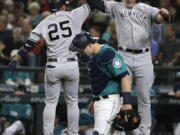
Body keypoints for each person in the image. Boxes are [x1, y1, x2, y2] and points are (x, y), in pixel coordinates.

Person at [7, 0, 92, 134]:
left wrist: (15, 59)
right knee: (72, 102)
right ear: (63, 6)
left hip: (53, 64)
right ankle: (73, 132)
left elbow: (29, 45)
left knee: (51, 103)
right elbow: (93, 4)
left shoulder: (44, 22)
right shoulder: (73, 14)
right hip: (71, 64)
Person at [86, 0, 170, 134]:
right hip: (123, 55)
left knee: (144, 97)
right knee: (120, 95)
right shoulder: (116, 6)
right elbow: (97, 3)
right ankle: (120, 132)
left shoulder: (146, 8)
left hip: (144, 56)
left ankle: (144, 132)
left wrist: (165, 14)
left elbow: (159, 17)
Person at [70, 32, 135, 135]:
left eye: (81, 50)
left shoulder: (107, 53)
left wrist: (127, 103)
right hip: (103, 101)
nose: (80, 54)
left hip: (110, 102)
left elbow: (125, 76)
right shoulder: (94, 55)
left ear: (89, 45)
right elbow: (100, 80)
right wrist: (95, 99)